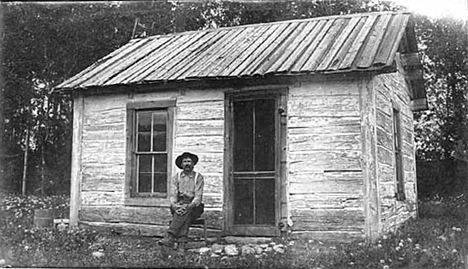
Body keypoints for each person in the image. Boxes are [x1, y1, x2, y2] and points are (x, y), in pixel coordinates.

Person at [158, 152, 204, 250]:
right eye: (184, 161)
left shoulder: (198, 177)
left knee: (185, 211)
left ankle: (170, 237)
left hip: (195, 207)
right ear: (181, 164)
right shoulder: (176, 177)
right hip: (179, 205)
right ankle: (181, 245)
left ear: (193, 163)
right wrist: (174, 205)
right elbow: (173, 194)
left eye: (189, 161)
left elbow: (198, 197)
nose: (187, 164)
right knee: (184, 215)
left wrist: (189, 206)